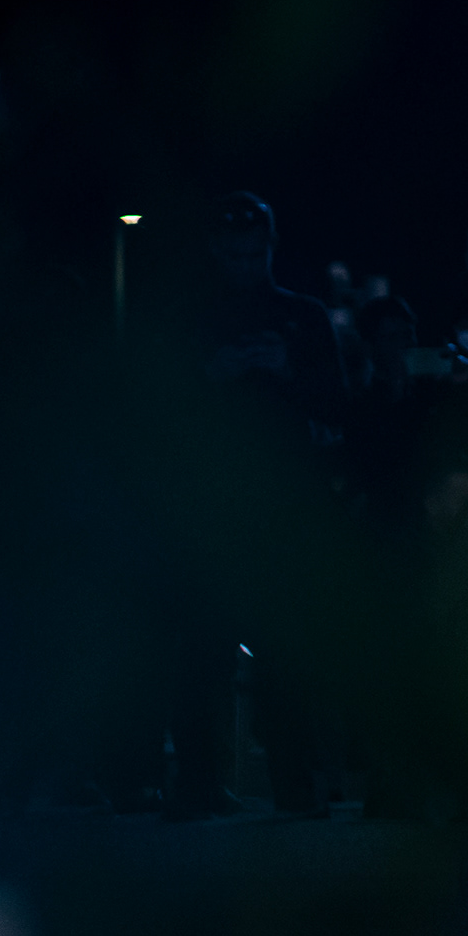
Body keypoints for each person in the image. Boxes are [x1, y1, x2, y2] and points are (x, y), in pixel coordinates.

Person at [158, 191, 348, 818]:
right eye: (236, 253)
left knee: (284, 654)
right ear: (217, 251)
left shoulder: (302, 317)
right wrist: (210, 376)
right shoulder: (192, 319)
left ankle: (291, 782)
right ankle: (199, 783)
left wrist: (286, 369)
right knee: (205, 653)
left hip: (278, 511)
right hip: (213, 509)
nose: (246, 264)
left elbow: (335, 403)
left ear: (270, 248)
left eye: (255, 252)